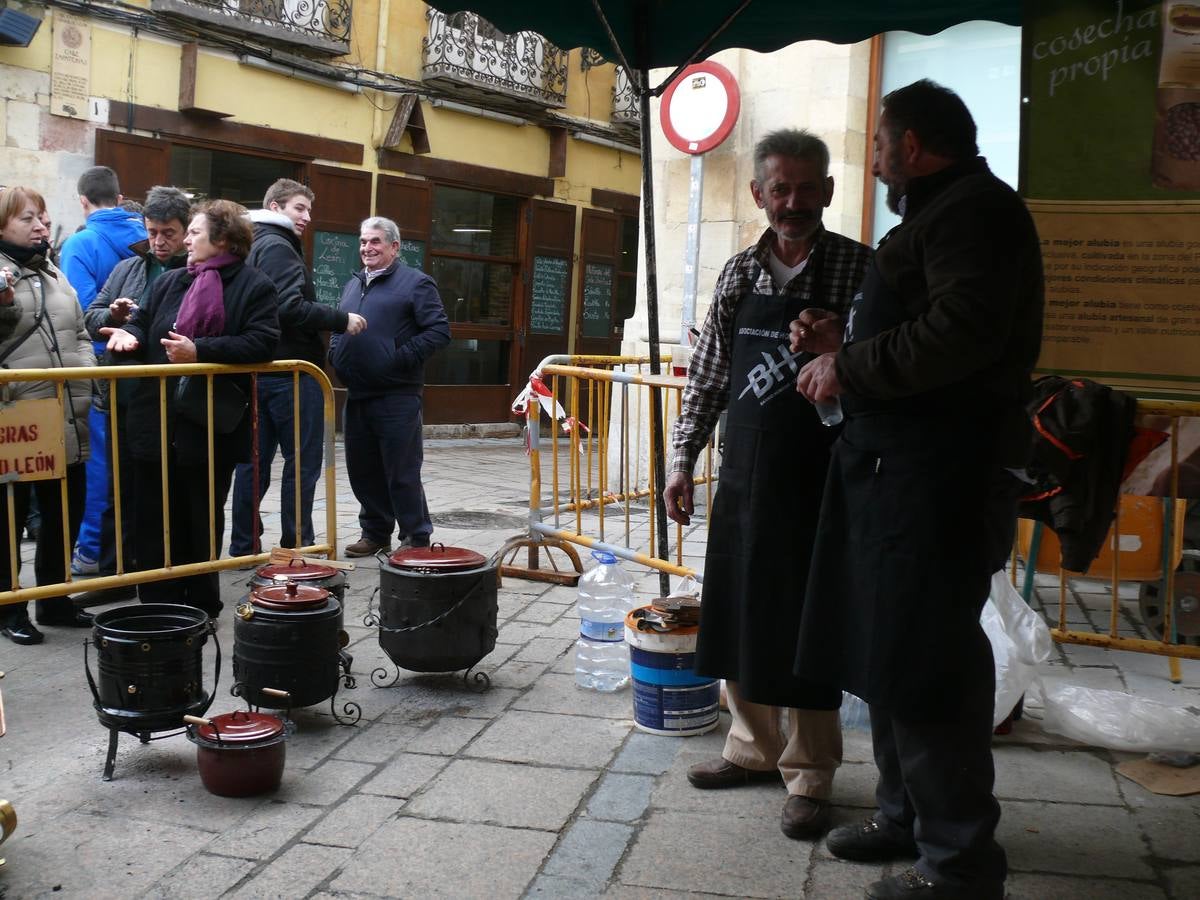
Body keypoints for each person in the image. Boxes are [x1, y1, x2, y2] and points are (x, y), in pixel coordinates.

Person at [793, 80, 1043, 900]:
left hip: (940, 481)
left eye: (877, 144)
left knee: (929, 662)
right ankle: (904, 816)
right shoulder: (940, 214)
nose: (872, 161)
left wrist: (848, 364)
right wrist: (846, 338)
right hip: (896, 473)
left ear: (908, 146)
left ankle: (958, 866)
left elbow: (962, 333)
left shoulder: (975, 212)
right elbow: (927, 325)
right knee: (890, 649)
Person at [663, 130, 872, 839]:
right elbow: (710, 378)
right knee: (739, 609)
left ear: (828, 192)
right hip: (747, 475)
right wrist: (681, 459)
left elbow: (888, 364)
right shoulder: (738, 273)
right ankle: (751, 748)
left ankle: (810, 774)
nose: (794, 202)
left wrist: (843, 344)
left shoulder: (860, 269)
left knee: (811, 622)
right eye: (780, 188)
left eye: (808, 188)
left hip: (824, 478)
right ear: (758, 194)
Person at [101, 200, 279, 617]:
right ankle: (157, 608)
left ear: (223, 239)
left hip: (208, 424)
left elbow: (263, 342)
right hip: (154, 420)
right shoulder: (171, 281)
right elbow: (143, 320)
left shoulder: (253, 285)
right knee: (151, 515)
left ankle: (200, 606)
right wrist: (127, 335)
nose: (187, 240)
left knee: (200, 515)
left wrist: (200, 351)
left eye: (195, 232)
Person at [229, 179, 367, 558]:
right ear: (275, 207)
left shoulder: (251, 243)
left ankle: (244, 546)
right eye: (299, 208)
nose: (306, 217)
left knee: (253, 463)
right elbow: (288, 306)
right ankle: (298, 545)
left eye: (308, 209)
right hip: (290, 374)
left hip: (258, 370)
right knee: (301, 463)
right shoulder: (277, 245)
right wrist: (341, 319)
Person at [74, 186, 192, 606]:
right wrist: (113, 315)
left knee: (159, 493)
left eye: (168, 233)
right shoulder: (128, 267)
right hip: (120, 395)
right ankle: (114, 573)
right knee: (117, 490)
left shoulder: (194, 272)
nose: (159, 241)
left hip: (167, 402)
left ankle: (159, 575)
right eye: (152, 232)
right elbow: (91, 316)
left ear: (186, 231)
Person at [0, 187, 97, 644]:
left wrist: (86, 373)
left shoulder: (53, 270)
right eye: (27, 219)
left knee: (65, 511)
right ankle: (8, 608)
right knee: (9, 519)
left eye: (41, 217)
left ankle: (55, 600)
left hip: (65, 413)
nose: (40, 226)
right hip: (15, 418)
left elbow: (80, 331)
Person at [329, 216, 449, 557]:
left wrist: (398, 358)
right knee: (363, 469)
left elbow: (439, 331)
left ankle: (416, 536)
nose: (367, 248)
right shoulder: (353, 284)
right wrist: (335, 352)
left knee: (401, 470)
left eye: (375, 241)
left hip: (397, 394)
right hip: (358, 393)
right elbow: (339, 325)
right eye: (363, 241)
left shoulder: (416, 283)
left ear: (394, 247)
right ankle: (375, 533)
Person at [59, 166, 147, 577]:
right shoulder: (146, 237)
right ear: (120, 197)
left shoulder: (81, 243)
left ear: (83, 201)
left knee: (100, 463)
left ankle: (93, 549)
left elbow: (78, 312)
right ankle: (132, 551)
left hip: (101, 368)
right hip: (146, 366)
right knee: (133, 466)